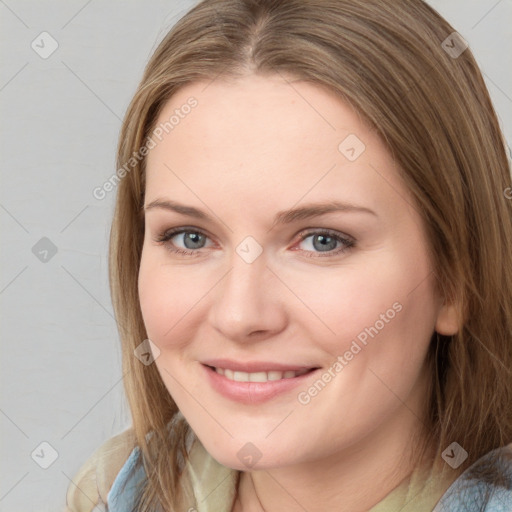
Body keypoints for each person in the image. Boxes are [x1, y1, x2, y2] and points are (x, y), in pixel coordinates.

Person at [64, 0, 512, 510]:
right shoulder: (116, 489)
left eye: (323, 240)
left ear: (456, 277)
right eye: (191, 237)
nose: (240, 315)